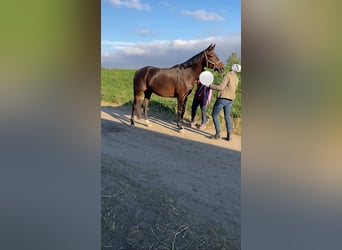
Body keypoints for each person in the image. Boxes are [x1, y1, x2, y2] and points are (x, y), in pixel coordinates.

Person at [209, 64, 241, 141]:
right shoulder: (236, 78)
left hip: (223, 98)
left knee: (214, 114)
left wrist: (210, 85)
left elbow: (221, 87)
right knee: (227, 117)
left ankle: (218, 134)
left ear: (232, 68)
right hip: (230, 99)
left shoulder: (228, 75)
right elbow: (229, 87)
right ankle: (229, 135)